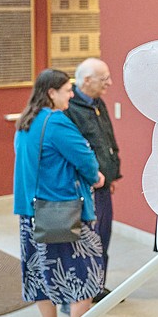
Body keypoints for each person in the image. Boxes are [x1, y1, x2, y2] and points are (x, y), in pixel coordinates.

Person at [13, 68, 107, 317]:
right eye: (67, 89)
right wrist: (97, 178)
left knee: (40, 273)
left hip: (31, 213)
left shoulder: (25, 123)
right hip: (63, 213)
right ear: (51, 93)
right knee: (86, 272)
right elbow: (86, 159)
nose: (70, 94)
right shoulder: (56, 122)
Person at [65, 57, 122, 301]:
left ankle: (98, 286)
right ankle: (86, 290)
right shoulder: (70, 108)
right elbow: (76, 151)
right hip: (86, 187)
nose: (109, 82)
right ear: (86, 81)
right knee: (90, 238)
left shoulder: (97, 103)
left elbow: (106, 139)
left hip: (104, 184)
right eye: (104, 79)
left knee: (104, 235)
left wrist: (112, 174)